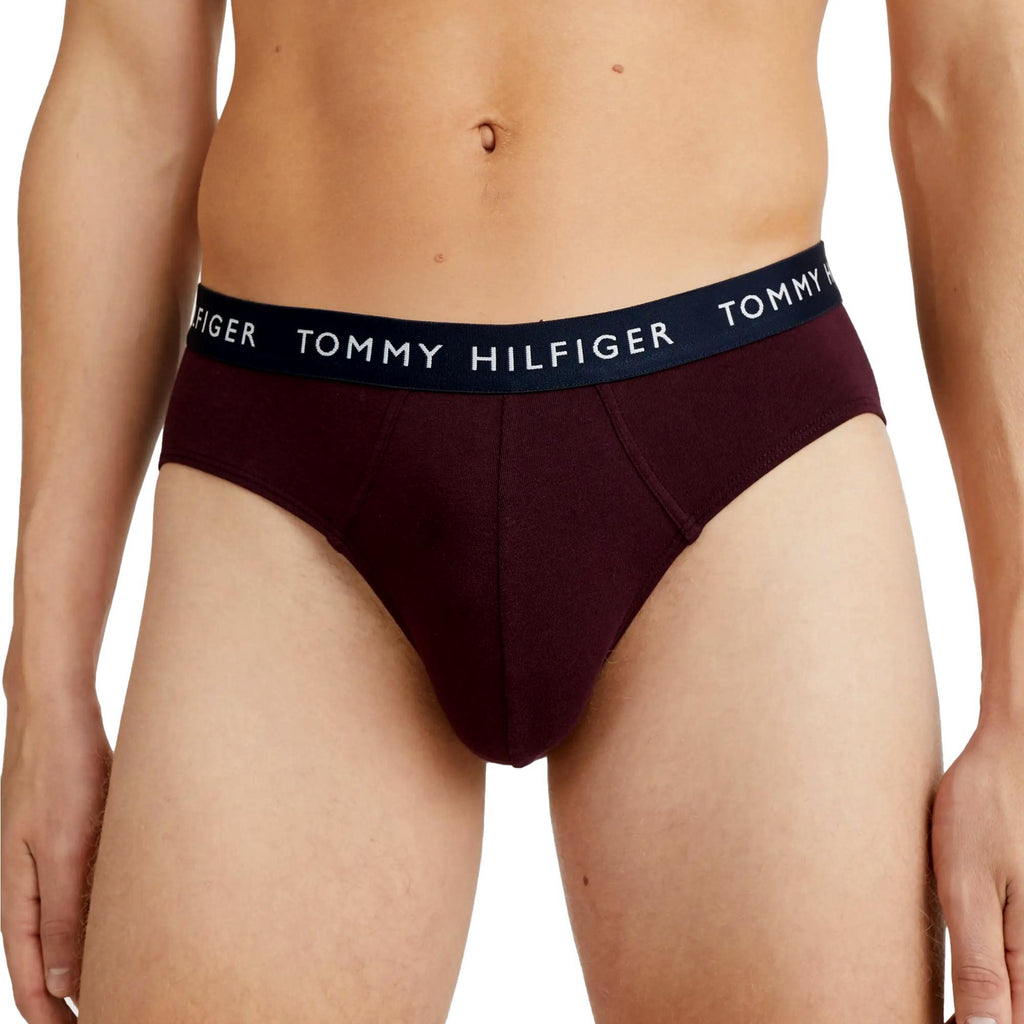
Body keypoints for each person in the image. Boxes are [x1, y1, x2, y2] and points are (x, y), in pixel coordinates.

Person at [2, 0, 1021, 1020]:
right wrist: (43, 680)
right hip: (287, 459)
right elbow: (128, 93)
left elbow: (970, 82)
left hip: (738, 431)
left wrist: (1019, 705)